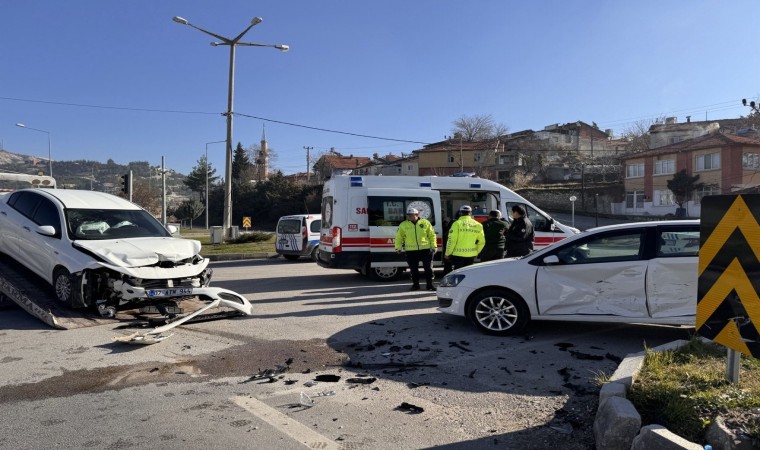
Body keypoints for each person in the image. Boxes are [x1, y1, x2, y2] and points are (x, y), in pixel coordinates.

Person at [395, 207, 437, 291]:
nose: (409, 217)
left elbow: (432, 235)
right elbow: (399, 237)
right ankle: (415, 285)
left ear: (417, 215)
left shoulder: (425, 223)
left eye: (411, 215)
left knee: (428, 269)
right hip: (411, 251)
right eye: (408, 215)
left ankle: (430, 285)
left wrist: (434, 246)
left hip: (426, 250)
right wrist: (398, 248)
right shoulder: (403, 224)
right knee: (413, 270)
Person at [444, 205, 485, 271]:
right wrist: (477, 251)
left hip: (458, 254)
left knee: (458, 273)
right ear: (471, 213)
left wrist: (448, 253)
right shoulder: (478, 225)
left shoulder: (457, 224)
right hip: (471, 254)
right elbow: (482, 241)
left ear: (460, 213)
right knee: (468, 273)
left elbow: (452, 240)